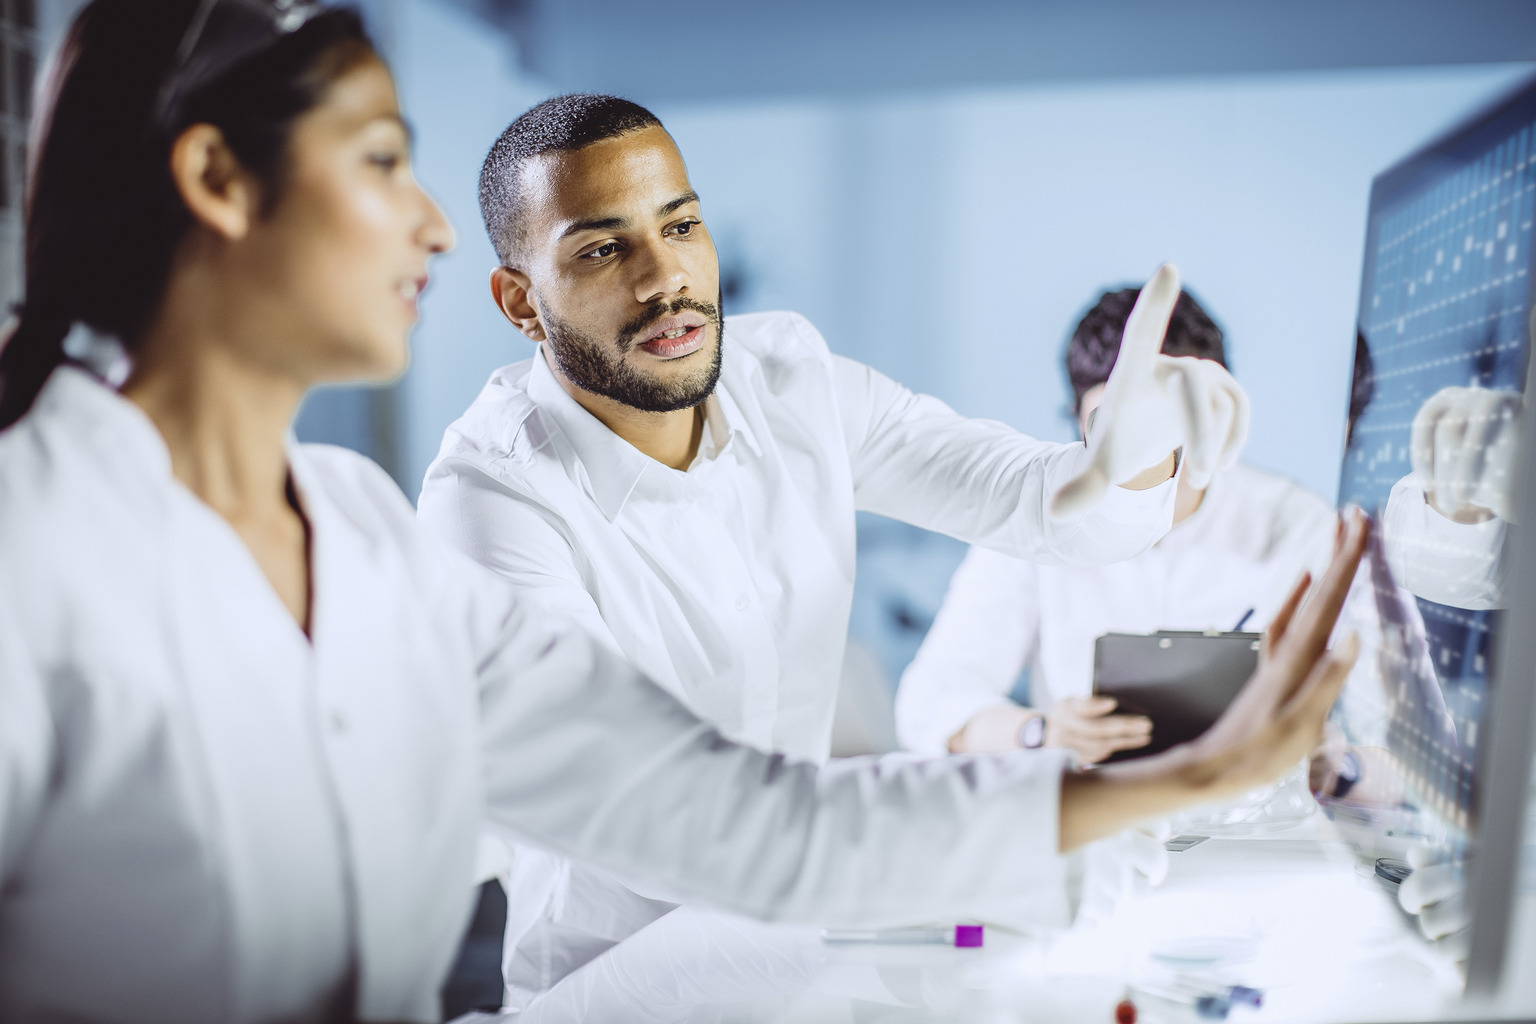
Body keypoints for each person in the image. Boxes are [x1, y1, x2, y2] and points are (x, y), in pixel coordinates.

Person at [0, 6, 1364, 1021]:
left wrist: (1136, 505)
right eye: (379, 162)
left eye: (682, 225)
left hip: (780, 952)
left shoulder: (352, 529)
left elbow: (763, 821)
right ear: (219, 184)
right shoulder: (49, 552)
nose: (425, 223)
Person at [416, 95, 1250, 1001]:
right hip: (619, 987)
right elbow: (686, 828)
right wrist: (1041, 822)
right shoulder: (489, 502)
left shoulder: (791, 381)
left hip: (808, 939)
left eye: (682, 224)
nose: (667, 278)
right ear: (520, 304)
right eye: (601, 248)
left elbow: (1047, 507)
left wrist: (1126, 459)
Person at [895, 287, 1338, 763]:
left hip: (1245, 818)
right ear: (1078, 425)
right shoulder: (1032, 519)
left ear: (1216, 414)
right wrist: (1039, 732)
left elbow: (1373, 719)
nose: (1138, 459)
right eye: (1111, 432)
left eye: (1158, 428)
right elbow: (928, 702)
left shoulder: (1298, 525)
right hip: (1091, 810)